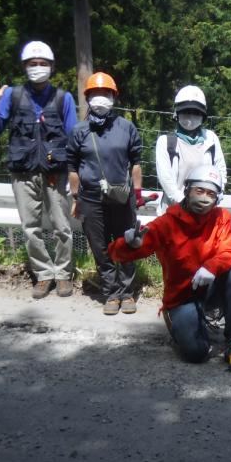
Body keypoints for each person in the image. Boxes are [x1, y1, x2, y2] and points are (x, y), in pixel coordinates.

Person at [109, 165, 231, 372]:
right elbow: (118, 254)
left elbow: (229, 252)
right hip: (181, 295)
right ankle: (180, 322)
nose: (204, 198)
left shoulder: (222, 218)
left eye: (211, 193)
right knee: (196, 353)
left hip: (210, 288)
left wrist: (211, 267)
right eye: (199, 191)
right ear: (187, 190)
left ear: (217, 198)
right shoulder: (167, 223)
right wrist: (130, 244)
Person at [0, 41, 77, 298]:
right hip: (23, 172)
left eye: (43, 64)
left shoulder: (64, 98)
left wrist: (74, 173)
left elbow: (74, 138)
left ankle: (64, 275)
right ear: (24, 66)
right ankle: (43, 274)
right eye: (33, 64)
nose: (38, 68)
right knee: (30, 227)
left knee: (62, 226)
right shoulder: (12, 95)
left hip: (56, 172)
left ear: (52, 67)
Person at [67, 73, 144, 315]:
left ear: (114, 97)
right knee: (100, 246)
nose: (101, 98)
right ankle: (111, 293)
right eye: (95, 94)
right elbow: (72, 168)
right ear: (87, 98)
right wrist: (76, 199)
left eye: (106, 94)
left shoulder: (126, 127)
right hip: (90, 199)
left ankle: (128, 292)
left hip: (122, 197)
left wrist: (138, 195)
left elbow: (136, 163)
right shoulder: (79, 131)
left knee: (127, 243)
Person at [155, 85, 227, 215]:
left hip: (205, 209)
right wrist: (184, 202)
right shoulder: (166, 142)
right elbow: (166, 179)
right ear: (177, 113)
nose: (190, 117)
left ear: (202, 115)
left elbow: (220, 169)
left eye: (196, 113)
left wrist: (217, 193)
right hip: (174, 211)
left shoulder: (210, 139)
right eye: (186, 112)